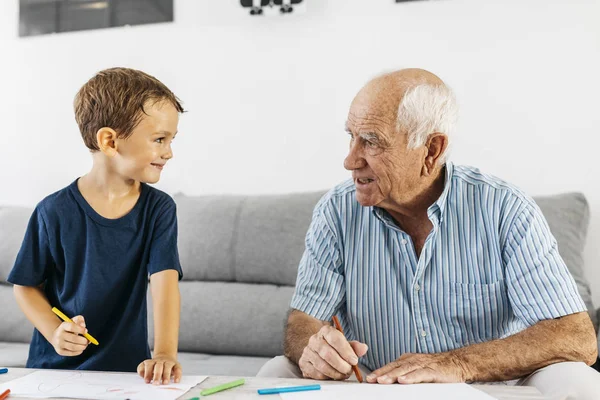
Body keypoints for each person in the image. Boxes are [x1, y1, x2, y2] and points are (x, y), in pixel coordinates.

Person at [257, 68, 600, 399]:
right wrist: (315, 347)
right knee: (275, 372)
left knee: (578, 381)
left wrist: (454, 363)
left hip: (482, 387)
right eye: (351, 137)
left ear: (431, 151)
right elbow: (304, 320)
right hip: (372, 389)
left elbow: (576, 337)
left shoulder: (504, 208)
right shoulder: (335, 211)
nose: (350, 160)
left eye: (371, 142)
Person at [9, 67, 184, 385]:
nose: (169, 152)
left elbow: (165, 284)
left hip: (127, 373)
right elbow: (25, 285)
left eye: (171, 140)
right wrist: (54, 331)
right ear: (109, 141)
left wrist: (164, 353)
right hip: (53, 371)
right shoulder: (53, 211)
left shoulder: (159, 209)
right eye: (160, 139)